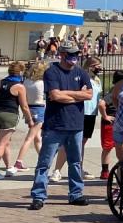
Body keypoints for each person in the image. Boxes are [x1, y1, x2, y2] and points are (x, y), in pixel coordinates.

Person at [29, 42, 94, 210]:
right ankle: (38, 196)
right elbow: (55, 95)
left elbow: (89, 95)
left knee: (75, 162)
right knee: (45, 163)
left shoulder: (82, 73)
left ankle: (76, 194)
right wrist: (75, 96)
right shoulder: (52, 71)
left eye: (76, 54)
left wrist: (66, 94)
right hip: (55, 125)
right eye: (71, 54)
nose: (74, 57)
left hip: (76, 125)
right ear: (63, 54)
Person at [0, 62, 35, 179]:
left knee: (6, 142)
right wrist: (30, 120)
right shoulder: (19, 86)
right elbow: (24, 106)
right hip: (9, 115)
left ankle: (9, 167)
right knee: (2, 143)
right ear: (20, 72)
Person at [14, 61, 47, 171]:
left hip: (29, 108)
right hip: (39, 108)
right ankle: (19, 161)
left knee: (37, 138)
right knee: (30, 137)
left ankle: (43, 159)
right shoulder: (42, 83)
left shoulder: (26, 81)